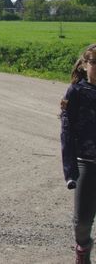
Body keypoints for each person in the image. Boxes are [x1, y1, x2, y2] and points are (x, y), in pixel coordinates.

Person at [61, 43, 96, 263]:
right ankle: (83, 251)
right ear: (84, 65)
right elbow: (66, 131)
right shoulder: (76, 92)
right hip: (86, 161)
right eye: (94, 63)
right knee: (83, 221)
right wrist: (70, 170)